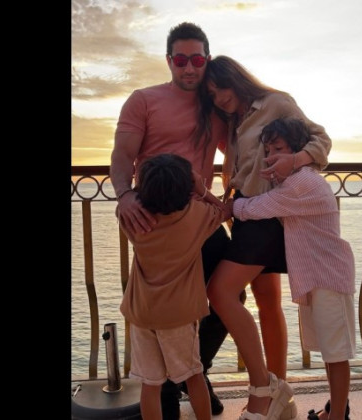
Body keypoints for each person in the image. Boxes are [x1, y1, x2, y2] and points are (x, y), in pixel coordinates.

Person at [110, 22, 244, 419]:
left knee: (230, 298)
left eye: (197, 60)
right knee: (165, 303)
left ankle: (188, 374)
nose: (189, 68)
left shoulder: (216, 104)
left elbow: (244, 146)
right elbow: (122, 154)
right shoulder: (143, 100)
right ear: (169, 60)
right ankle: (176, 385)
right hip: (158, 219)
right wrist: (125, 195)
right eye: (181, 60)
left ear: (207, 60)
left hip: (201, 218)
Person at [200, 56, 333, 419]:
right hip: (246, 213)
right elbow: (242, 168)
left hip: (268, 216)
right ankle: (280, 396)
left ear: (236, 79)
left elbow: (321, 139)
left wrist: (296, 160)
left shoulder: (276, 103)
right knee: (267, 302)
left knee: (220, 292)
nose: (219, 98)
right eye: (212, 94)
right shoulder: (234, 120)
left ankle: (262, 390)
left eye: (221, 88)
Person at [230, 118, 356, 420]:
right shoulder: (295, 181)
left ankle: (338, 416)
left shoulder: (302, 184)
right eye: (268, 151)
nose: (271, 157)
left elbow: (257, 207)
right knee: (330, 351)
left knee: (336, 354)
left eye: (279, 149)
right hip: (317, 278)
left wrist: (228, 207)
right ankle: (335, 411)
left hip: (329, 278)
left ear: (297, 151)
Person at [119, 153, 232, 420]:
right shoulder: (196, 216)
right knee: (193, 375)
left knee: (150, 384)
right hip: (179, 315)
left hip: (142, 313)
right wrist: (202, 189)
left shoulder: (133, 219)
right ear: (186, 188)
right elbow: (225, 210)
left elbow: (127, 204)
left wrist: (135, 191)